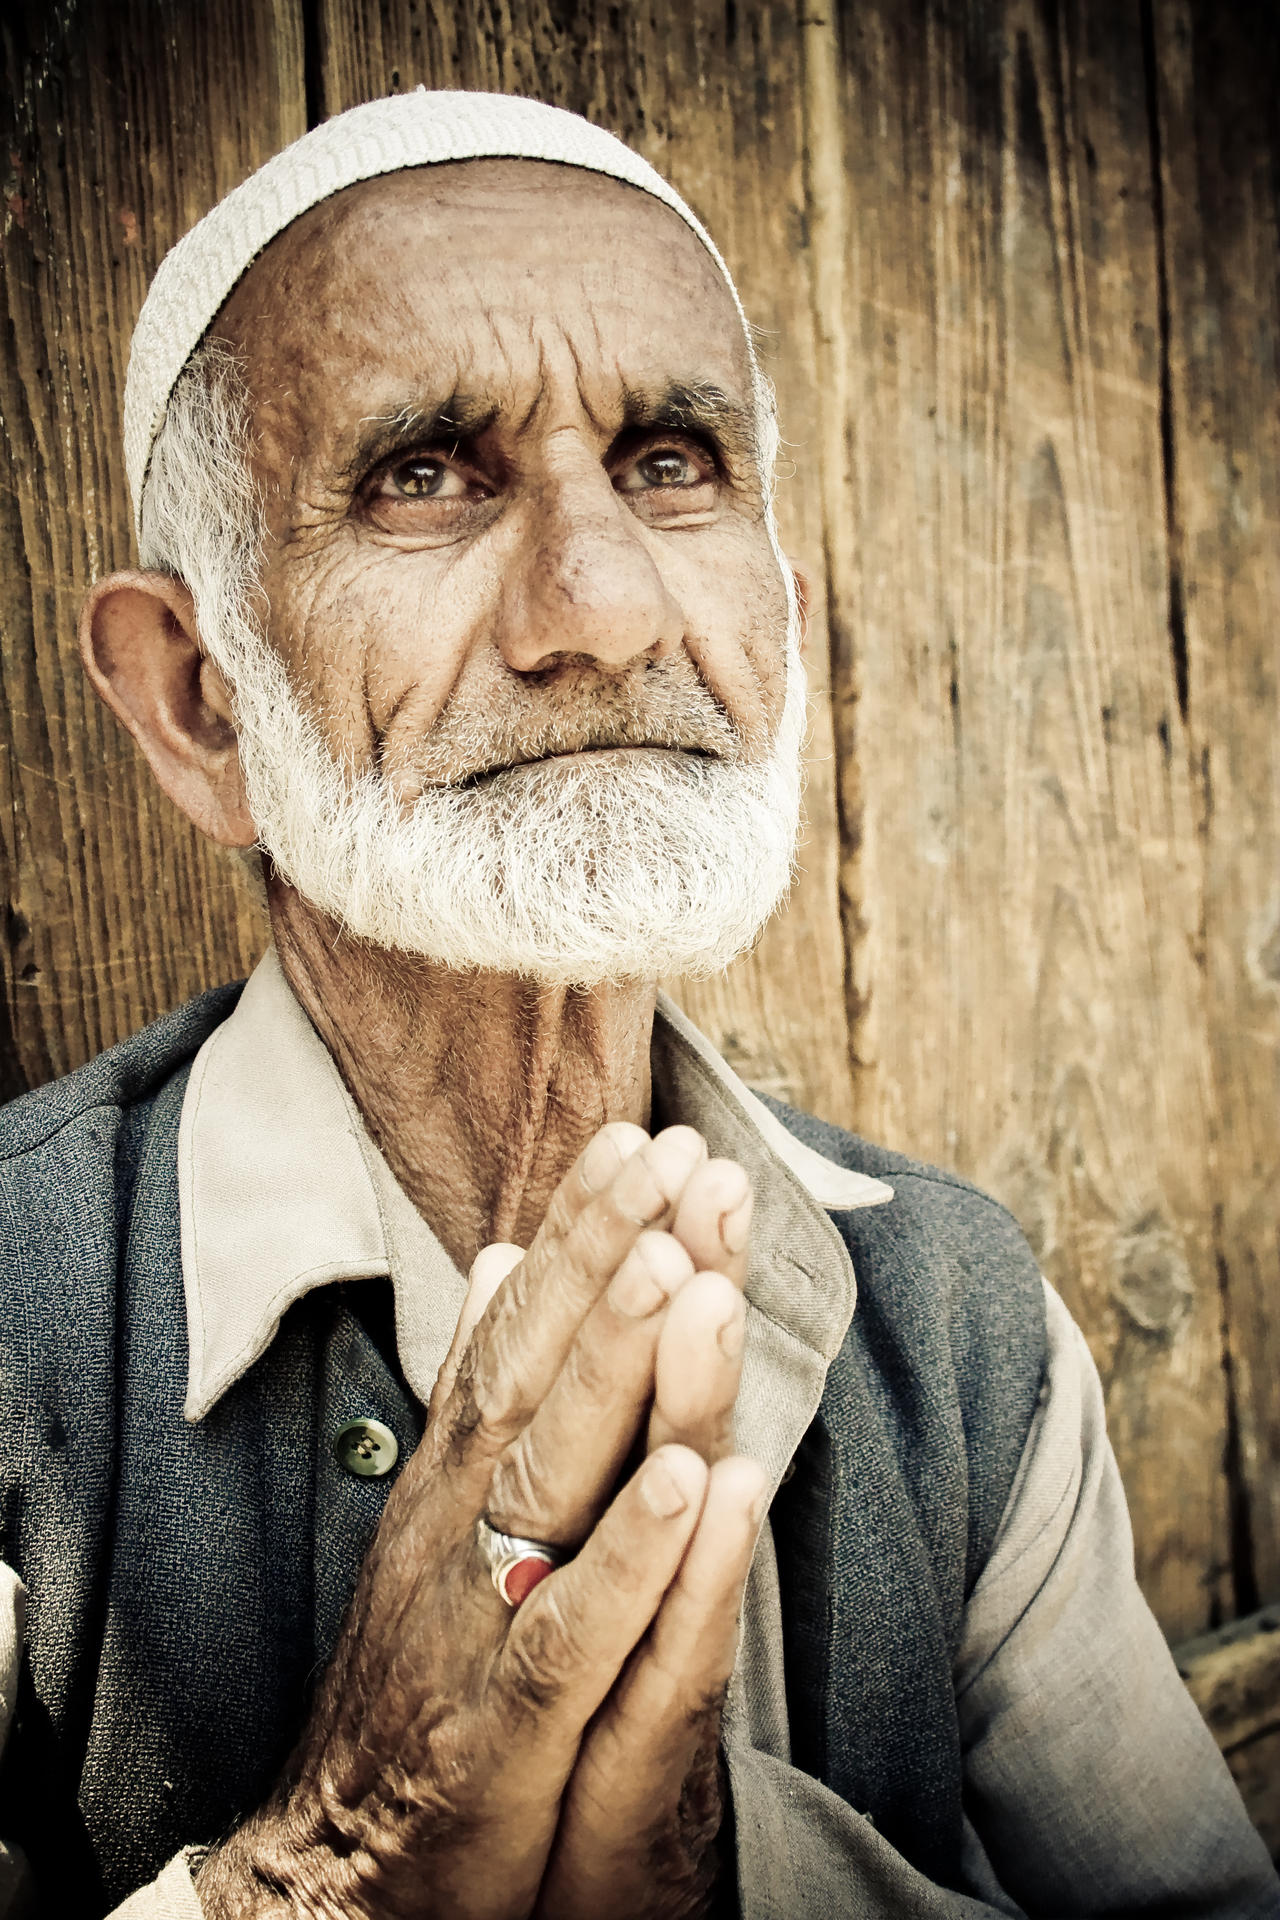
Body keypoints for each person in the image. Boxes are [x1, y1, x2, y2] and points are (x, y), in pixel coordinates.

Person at [0, 90, 1274, 1920]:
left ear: (783, 627)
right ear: (200, 699)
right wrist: (319, 1873)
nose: (598, 608)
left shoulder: (962, 1324)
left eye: (672, 461)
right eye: (425, 472)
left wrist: (744, 1884)